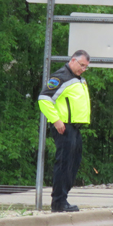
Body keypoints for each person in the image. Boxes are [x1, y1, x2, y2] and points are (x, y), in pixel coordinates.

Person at [38, 50, 91, 213]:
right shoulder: (62, 76)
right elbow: (44, 99)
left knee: (73, 164)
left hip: (75, 127)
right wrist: (56, 120)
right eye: (82, 65)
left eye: (86, 67)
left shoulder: (78, 79)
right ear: (73, 60)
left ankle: (63, 199)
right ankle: (58, 202)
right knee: (63, 164)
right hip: (64, 127)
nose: (83, 69)